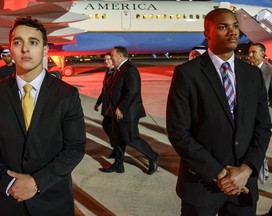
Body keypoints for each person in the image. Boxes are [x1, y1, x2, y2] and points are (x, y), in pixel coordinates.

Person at [166, 8, 271, 216]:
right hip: (202, 184)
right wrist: (220, 174)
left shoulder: (252, 75)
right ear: (207, 33)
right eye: (223, 27)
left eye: (235, 26)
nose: (232, 32)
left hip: (244, 185)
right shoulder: (187, 74)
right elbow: (179, 132)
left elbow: (263, 126)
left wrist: (246, 169)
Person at [0, 16, 86, 216]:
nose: (25, 49)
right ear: (10, 49)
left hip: (53, 201)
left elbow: (75, 147)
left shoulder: (67, 95)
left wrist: (37, 182)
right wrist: (9, 184)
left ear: (45, 49)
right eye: (18, 42)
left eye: (33, 42)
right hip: (9, 202)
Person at [99, 46, 159, 174]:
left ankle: (153, 156)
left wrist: (121, 108)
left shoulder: (130, 69)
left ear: (120, 56)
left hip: (127, 112)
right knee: (117, 138)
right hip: (116, 111)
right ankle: (118, 164)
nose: (111, 58)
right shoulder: (119, 69)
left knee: (131, 138)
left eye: (113, 56)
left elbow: (133, 91)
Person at [94, 53, 115, 158]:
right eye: (105, 59)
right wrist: (98, 102)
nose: (106, 61)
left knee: (109, 126)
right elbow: (104, 90)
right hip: (108, 106)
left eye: (109, 59)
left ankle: (116, 147)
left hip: (114, 107)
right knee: (107, 125)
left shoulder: (116, 73)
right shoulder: (108, 72)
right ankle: (116, 147)